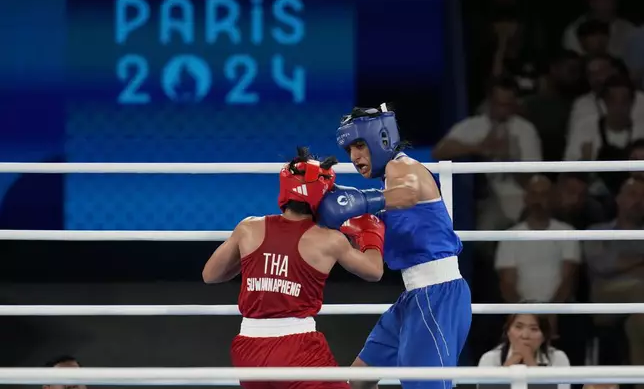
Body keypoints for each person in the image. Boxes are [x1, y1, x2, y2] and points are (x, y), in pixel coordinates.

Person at [202, 147, 385, 389]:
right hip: (297, 349)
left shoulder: (248, 228)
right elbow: (374, 271)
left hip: (247, 350)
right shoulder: (329, 240)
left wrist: (254, 261)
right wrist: (370, 232)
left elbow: (210, 275)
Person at [318, 105, 472, 389]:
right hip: (412, 298)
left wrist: (360, 202)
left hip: (436, 296)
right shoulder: (387, 184)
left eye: (360, 145)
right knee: (359, 380)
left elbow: (409, 192)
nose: (354, 156)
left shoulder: (400, 167)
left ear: (383, 139)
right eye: (350, 149)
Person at [478, 312, 571, 389]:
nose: (525, 335)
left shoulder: (558, 358)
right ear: (508, 331)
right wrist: (513, 360)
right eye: (518, 327)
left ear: (544, 336)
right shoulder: (490, 358)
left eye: (534, 329)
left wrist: (529, 359)